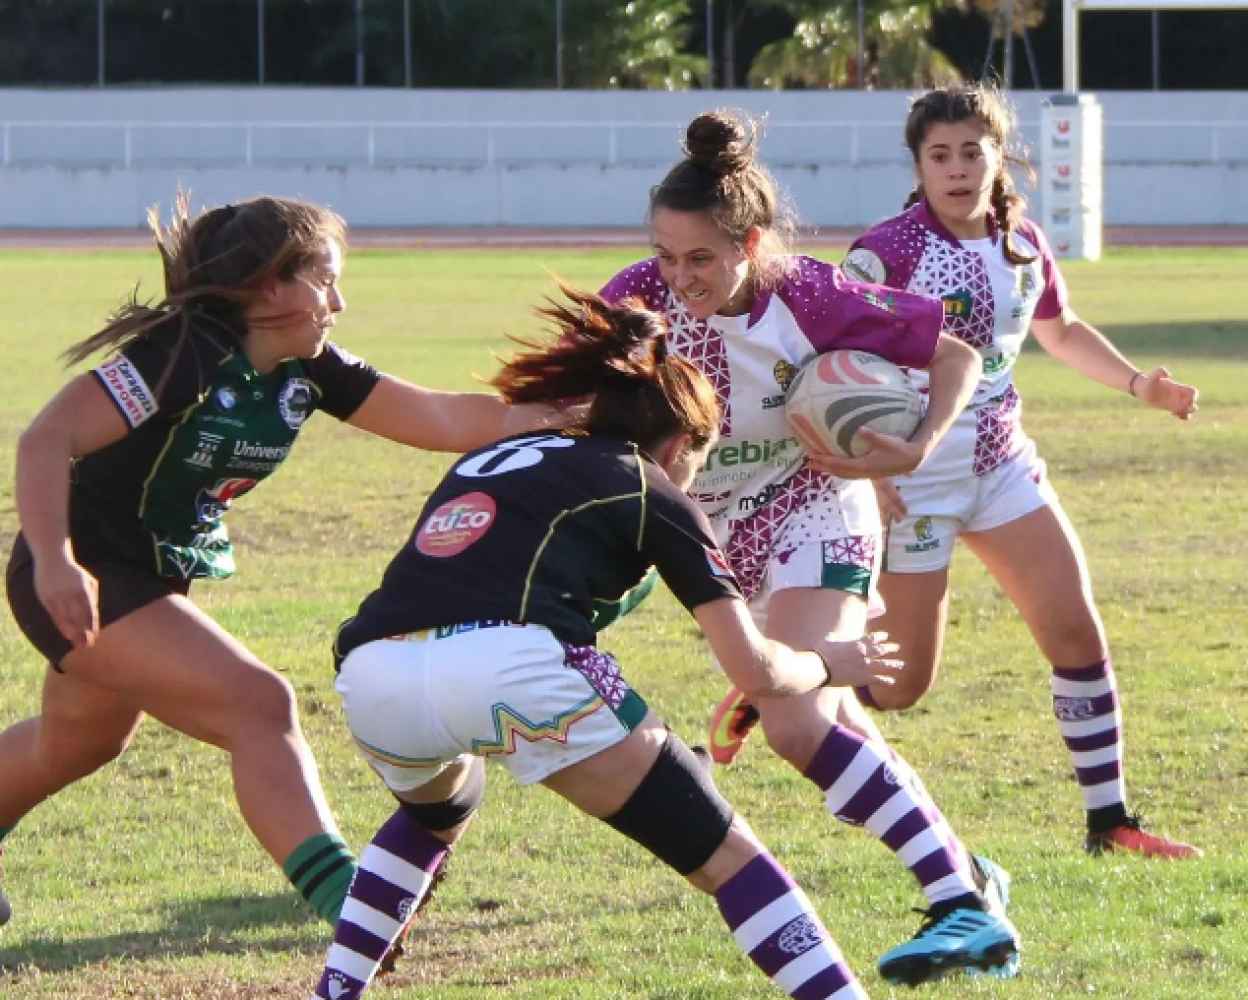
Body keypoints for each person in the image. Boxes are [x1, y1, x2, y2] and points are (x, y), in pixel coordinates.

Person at [311, 285, 991, 1000]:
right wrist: (829, 662)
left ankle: (336, 990)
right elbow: (756, 671)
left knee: (437, 809)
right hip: (512, 666)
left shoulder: (502, 453)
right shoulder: (652, 486)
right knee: (731, 859)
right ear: (678, 444)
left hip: (374, 675)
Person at [2, 192, 566, 932]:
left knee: (77, 742)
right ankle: (348, 900)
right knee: (259, 703)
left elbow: (436, 415)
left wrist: (561, 418)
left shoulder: (311, 368)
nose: (339, 299)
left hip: (143, 575)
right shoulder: (184, 357)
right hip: (85, 573)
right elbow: (47, 438)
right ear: (269, 285)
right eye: (324, 279)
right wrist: (53, 560)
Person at [597, 110, 1020, 986]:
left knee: (794, 718)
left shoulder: (810, 294)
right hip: (713, 536)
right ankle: (968, 876)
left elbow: (955, 357)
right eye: (668, 257)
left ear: (751, 242)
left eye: (702, 259)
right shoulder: (634, 298)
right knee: (834, 722)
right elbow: (569, 402)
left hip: (815, 504)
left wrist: (914, 447)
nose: (680, 279)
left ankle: (965, 912)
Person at [836, 83, 1201, 860]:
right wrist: (871, 474)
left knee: (1074, 626)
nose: (958, 168)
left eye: (974, 150)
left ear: (1001, 156)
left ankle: (1111, 822)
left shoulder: (1023, 243)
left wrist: (1142, 385)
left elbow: (1059, 329)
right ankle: (793, 678)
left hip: (1003, 467)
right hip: (912, 481)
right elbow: (837, 366)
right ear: (919, 164)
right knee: (899, 689)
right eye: (941, 155)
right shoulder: (886, 252)